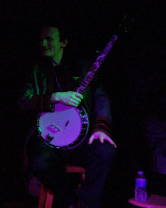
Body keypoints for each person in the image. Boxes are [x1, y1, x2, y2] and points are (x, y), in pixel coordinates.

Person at [19, 24, 116, 208]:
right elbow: (23, 101)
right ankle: (70, 201)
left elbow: (101, 97)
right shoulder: (37, 71)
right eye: (41, 40)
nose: (44, 43)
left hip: (81, 140)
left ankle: (86, 203)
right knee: (39, 161)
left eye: (49, 39)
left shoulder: (83, 67)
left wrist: (101, 128)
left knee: (106, 151)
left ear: (64, 42)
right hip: (49, 141)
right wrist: (54, 97)